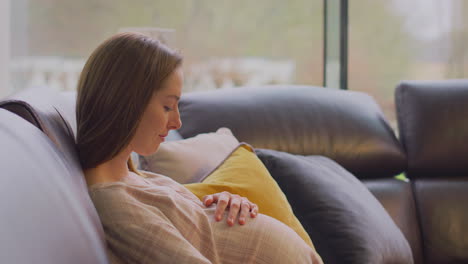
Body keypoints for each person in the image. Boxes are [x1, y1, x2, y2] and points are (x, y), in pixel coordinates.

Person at [76, 32, 322, 264]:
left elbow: (201, 231)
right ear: (127, 103)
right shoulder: (117, 206)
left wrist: (221, 205)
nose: (177, 122)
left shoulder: (132, 177)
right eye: (167, 107)